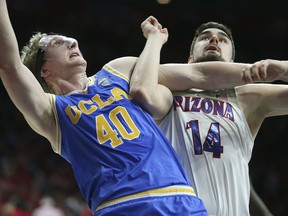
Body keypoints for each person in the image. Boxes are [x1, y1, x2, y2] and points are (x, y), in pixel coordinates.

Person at [0, 1, 266, 215]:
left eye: (70, 39)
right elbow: (9, 64)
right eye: (58, 43)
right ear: (44, 69)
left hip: (181, 199)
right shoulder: (51, 112)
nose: (73, 42)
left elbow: (198, 74)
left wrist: (267, 69)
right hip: (123, 206)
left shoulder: (117, 70)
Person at [130, 18, 288, 215]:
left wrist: (283, 68)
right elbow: (141, 91)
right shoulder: (169, 95)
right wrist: (154, 38)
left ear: (232, 63)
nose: (213, 39)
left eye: (222, 40)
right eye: (205, 38)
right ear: (189, 60)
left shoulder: (248, 98)